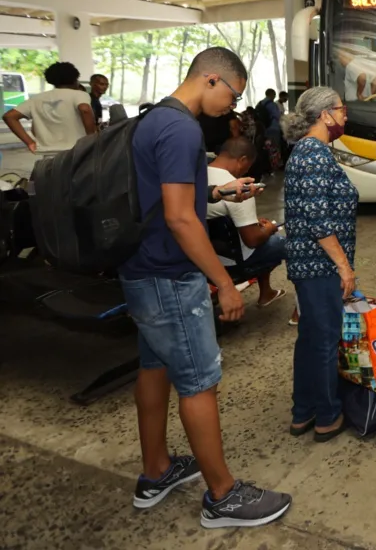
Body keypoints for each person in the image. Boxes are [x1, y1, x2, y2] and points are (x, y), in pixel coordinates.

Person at [119, 47, 291, 528]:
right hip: (172, 275)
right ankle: (222, 496)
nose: (233, 108)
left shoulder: (154, 119)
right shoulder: (181, 129)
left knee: (154, 368)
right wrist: (223, 282)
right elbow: (178, 217)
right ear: (211, 79)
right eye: (232, 95)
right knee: (198, 381)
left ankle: (156, 471)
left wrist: (216, 192)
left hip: (141, 267)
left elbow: (162, 196)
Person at [281, 87, 359, 441]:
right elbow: (318, 221)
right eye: (342, 109)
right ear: (325, 115)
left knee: (311, 337)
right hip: (319, 266)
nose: (345, 115)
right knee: (326, 339)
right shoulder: (312, 154)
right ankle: (327, 416)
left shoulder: (310, 152)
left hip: (311, 265)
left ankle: (304, 411)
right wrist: (344, 266)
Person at [206, 136, 287, 308]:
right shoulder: (237, 187)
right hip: (234, 262)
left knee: (261, 231)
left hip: (207, 259)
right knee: (286, 243)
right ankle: (301, 307)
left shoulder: (198, 180)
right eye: (248, 166)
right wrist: (270, 229)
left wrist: (254, 223)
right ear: (242, 160)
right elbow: (252, 240)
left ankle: (267, 293)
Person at [3, 61, 96, 155]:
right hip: (75, 152)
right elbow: (85, 109)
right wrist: (92, 137)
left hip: (47, 154)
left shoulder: (36, 98)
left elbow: (9, 116)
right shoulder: (79, 94)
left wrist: (30, 142)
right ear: (75, 79)